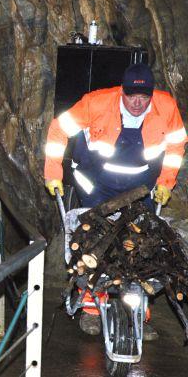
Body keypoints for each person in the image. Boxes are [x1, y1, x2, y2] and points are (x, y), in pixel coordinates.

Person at [44, 62, 187, 339]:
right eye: (131, 95)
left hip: (139, 187)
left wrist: (165, 183)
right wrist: (53, 174)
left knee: (141, 247)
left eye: (143, 97)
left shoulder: (165, 108)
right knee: (94, 244)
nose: (137, 102)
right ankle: (91, 310)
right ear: (122, 92)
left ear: (151, 95)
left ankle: (138, 313)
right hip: (96, 183)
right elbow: (58, 129)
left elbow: (176, 145)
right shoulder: (96, 103)